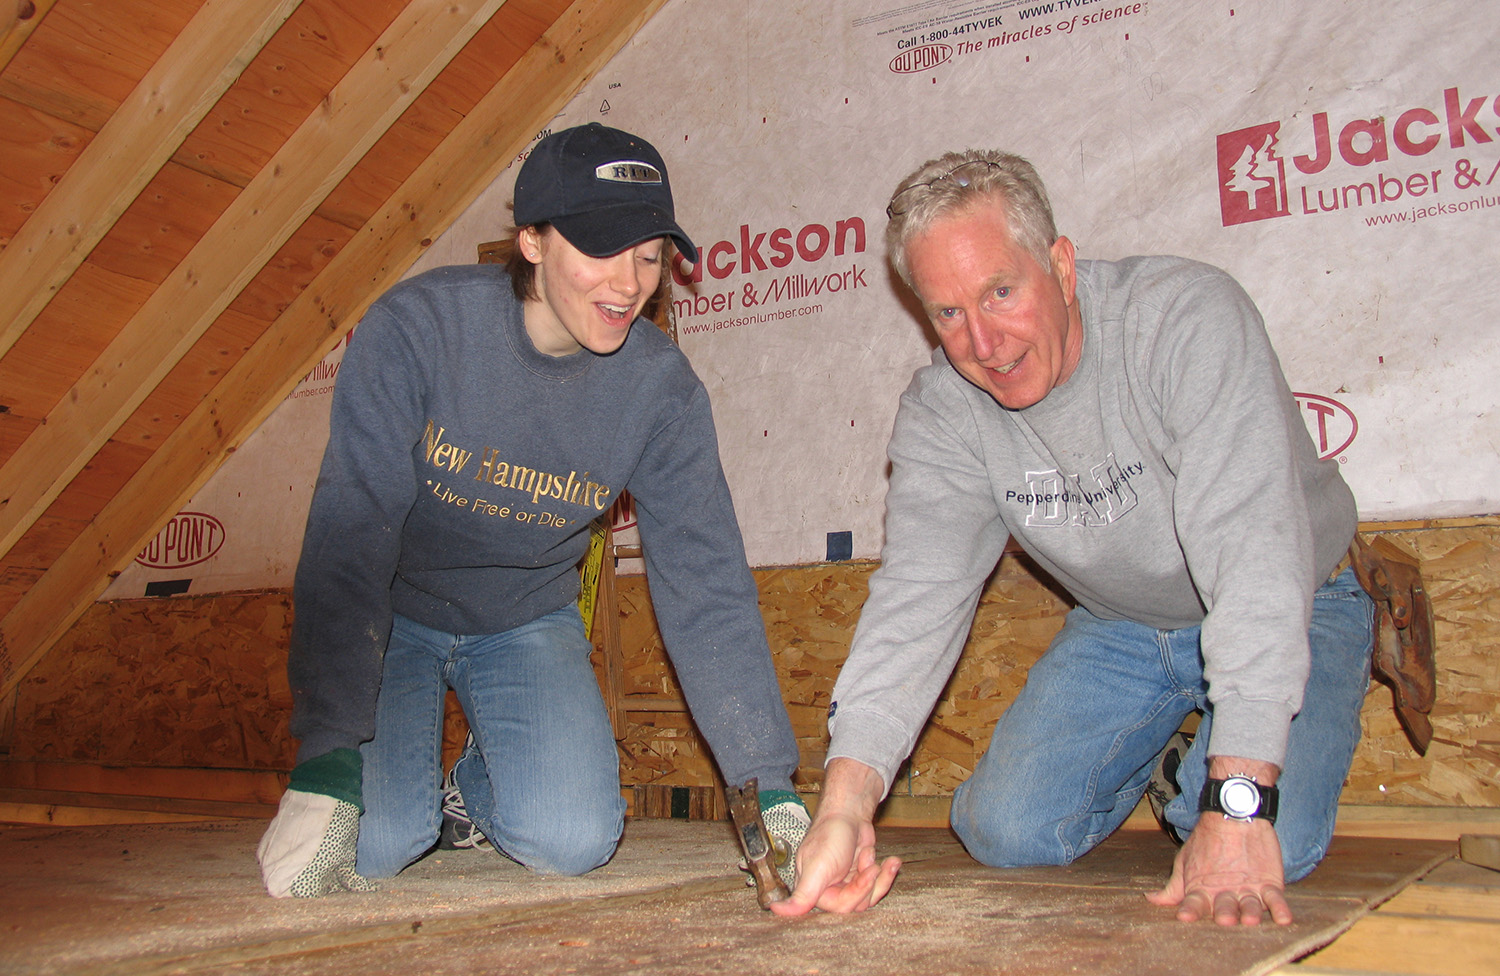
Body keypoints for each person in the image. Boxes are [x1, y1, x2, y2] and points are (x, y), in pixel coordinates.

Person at [773, 151, 1373, 926]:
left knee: (1264, 840)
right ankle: (1172, 752)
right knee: (1001, 830)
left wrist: (1237, 799)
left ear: (1059, 264)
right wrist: (845, 807)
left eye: (1000, 292)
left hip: (1296, 598)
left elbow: (1255, 561)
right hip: (1126, 627)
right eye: (949, 314)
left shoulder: (1185, 321)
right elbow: (916, 602)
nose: (984, 343)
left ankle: (1211, 767)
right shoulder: (945, 411)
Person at [257, 123, 805, 898]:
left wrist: (766, 780)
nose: (627, 284)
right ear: (533, 240)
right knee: (376, 842)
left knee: (574, 839)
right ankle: (398, 785)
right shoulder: (418, 333)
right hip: (396, 616)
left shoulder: (660, 392)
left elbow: (704, 582)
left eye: (648, 256)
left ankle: (481, 782)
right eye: (601, 251)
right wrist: (326, 755)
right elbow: (352, 535)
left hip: (525, 619)